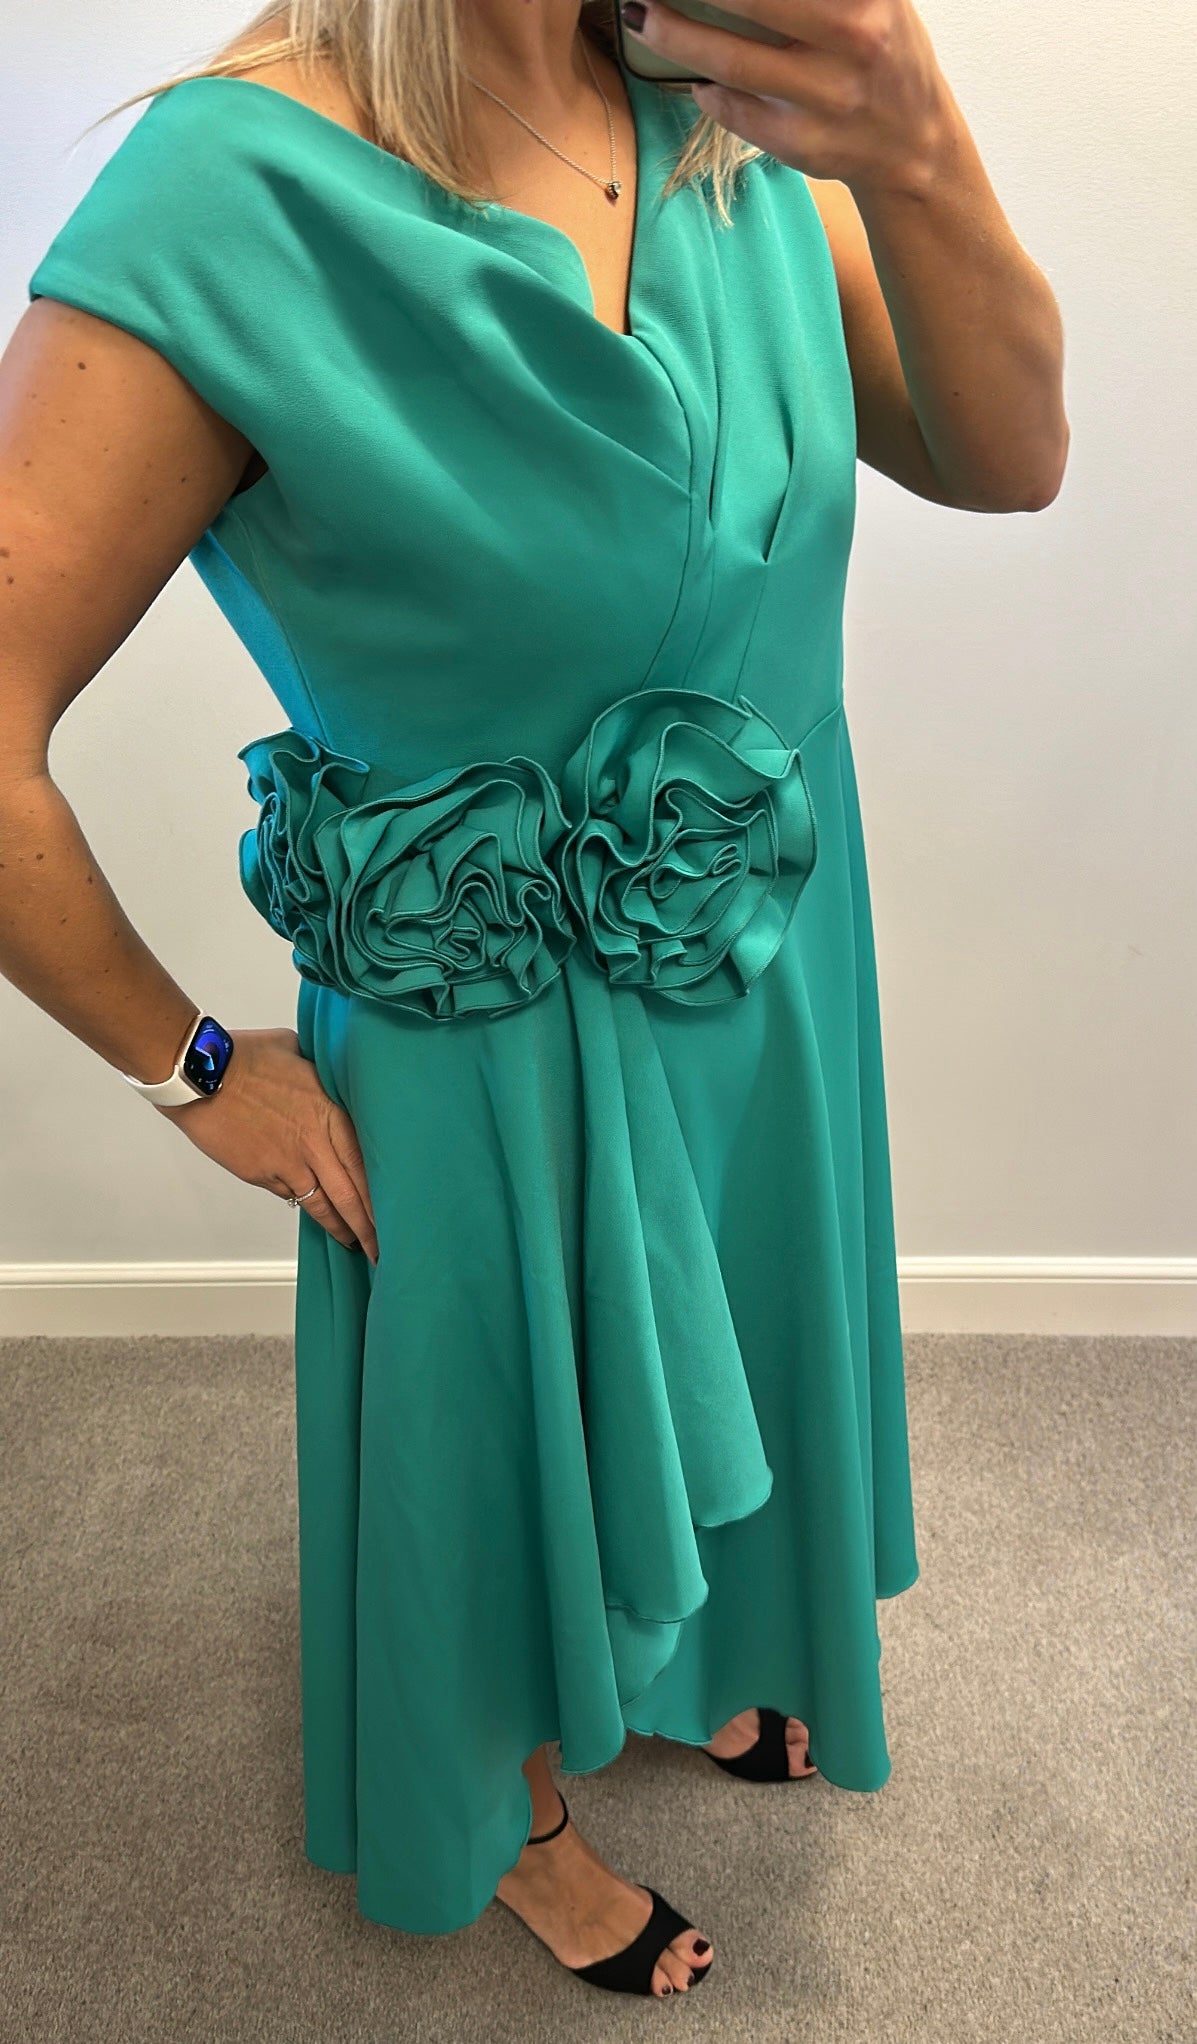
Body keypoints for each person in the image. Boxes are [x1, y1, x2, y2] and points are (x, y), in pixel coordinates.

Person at [1, 0, 1067, 2006]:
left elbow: (1010, 460)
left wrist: (917, 147)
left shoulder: (729, 106)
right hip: (483, 1040)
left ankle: (695, 1639)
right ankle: (515, 1818)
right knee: (492, 1451)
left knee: (727, 1349)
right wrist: (189, 1067)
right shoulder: (235, 195)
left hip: (760, 969)